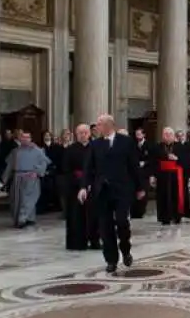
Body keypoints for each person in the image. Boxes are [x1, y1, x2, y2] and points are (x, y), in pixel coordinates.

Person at [78, 115, 145, 273]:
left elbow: (134, 166)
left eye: (99, 125)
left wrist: (140, 187)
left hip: (122, 190)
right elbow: (88, 168)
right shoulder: (95, 144)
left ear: (108, 125)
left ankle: (126, 249)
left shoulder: (126, 142)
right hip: (102, 191)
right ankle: (111, 260)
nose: (96, 128)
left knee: (122, 221)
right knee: (105, 227)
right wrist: (83, 187)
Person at [2, 131, 51, 229]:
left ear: (30, 139)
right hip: (17, 178)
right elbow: (10, 166)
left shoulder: (37, 150)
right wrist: (5, 179)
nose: (25, 139)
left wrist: (37, 172)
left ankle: (22, 219)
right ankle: (28, 218)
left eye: (27, 137)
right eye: (23, 137)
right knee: (16, 200)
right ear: (20, 139)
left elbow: (44, 162)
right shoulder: (15, 151)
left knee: (28, 199)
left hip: (31, 178)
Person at [63, 124, 98, 250]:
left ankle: (95, 241)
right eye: (80, 133)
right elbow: (66, 169)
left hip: (92, 186)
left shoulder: (95, 148)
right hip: (75, 187)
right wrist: (78, 183)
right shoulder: (70, 149)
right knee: (76, 215)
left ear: (89, 133)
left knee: (94, 215)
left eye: (85, 132)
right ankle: (77, 242)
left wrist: (90, 183)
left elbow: (98, 167)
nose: (83, 135)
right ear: (76, 134)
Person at [149, 127, 190, 225]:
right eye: (165, 134)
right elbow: (152, 162)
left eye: (169, 134)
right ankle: (165, 217)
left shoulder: (181, 147)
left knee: (176, 196)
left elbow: (187, 161)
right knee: (163, 196)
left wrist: (177, 158)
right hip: (162, 176)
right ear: (162, 136)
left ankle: (177, 216)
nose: (167, 136)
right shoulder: (157, 147)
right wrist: (152, 175)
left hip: (177, 176)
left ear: (173, 136)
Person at [131, 128, 152, 219]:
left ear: (144, 135)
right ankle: (135, 211)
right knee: (135, 191)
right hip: (135, 172)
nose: (137, 136)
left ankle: (141, 211)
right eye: (136, 134)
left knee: (144, 191)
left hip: (145, 172)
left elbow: (152, 158)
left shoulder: (149, 145)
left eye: (139, 134)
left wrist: (145, 163)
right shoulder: (133, 145)